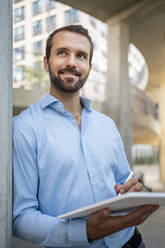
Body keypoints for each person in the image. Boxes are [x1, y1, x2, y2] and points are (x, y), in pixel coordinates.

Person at [12, 24, 159, 248]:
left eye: (81, 55)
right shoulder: (24, 127)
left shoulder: (107, 125)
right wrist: (85, 231)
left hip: (131, 240)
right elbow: (21, 218)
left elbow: (124, 178)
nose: (72, 62)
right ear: (45, 62)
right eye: (62, 53)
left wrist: (132, 188)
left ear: (89, 67)